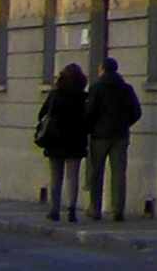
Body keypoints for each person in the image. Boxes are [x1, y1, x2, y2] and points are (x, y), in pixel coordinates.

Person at [83, 56, 142, 221]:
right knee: (119, 173)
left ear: (102, 69)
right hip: (120, 135)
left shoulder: (96, 88)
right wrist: (125, 124)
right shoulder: (126, 88)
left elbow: (90, 112)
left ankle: (95, 208)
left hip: (99, 136)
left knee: (97, 172)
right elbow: (136, 111)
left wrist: (89, 128)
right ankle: (118, 209)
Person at [35, 63, 89, 223]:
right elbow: (88, 118)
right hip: (75, 140)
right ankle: (72, 209)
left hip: (55, 140)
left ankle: (55, 209)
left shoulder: (55, 95)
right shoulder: (82, 97)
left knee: (56, 177)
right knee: (73, 177)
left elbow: (42, 114)